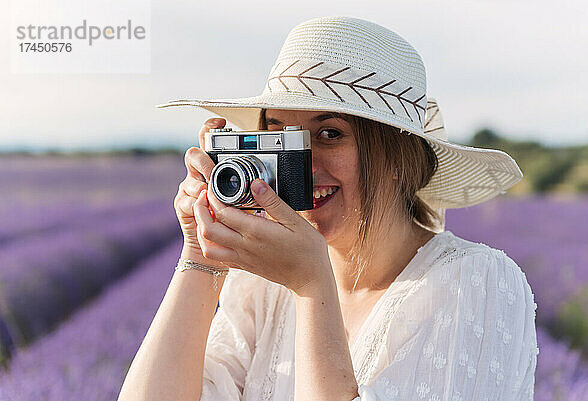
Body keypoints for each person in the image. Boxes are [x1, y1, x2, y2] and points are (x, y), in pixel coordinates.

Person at [118, 16, 538, 401]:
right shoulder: (262, 287)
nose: (301, 165)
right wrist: (200, 254)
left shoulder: (476, 283)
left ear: (397, 160)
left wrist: (312, 286)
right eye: (280, 135)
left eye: (329, 133)